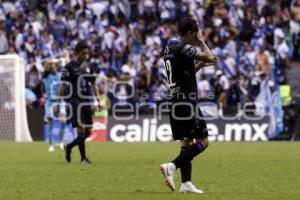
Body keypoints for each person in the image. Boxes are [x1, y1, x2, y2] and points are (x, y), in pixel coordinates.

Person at [160, 17, 218, 194]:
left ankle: (186, 183)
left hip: (175, 101)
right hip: (187, 101)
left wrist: (201, 64)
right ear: (190, 33)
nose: (198, 36)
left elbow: (186, 72)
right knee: (204, 141)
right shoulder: (185, 47)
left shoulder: (170, 47)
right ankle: (172, 166)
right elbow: (208, 55)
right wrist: (202, 42)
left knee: (186, 142)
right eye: (197, 33)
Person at [57, 40, 101, 164]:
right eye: (83, 53)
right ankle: (83, 158)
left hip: (86, 100)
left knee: (88, 131)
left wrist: (98, 99)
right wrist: (58, 102)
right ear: (76, 53)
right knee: (81, 130)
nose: (85, 56)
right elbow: (63, 85)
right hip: (74, 101)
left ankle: (69, 147)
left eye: (86, 54)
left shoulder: (89, 66)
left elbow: (93, 83)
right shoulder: (68, 67)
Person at [43, 61, 66, 152]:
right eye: (52, 68)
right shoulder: (47, 78)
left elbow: (64, 71)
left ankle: (60, 142)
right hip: (50, 103)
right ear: (49, 69)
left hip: (60, 102)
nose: (55, 68)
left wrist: (63, 61)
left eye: (55, 67)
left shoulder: (59, 75)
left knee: (63, 121)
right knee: (50, 124)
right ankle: (50, 145)